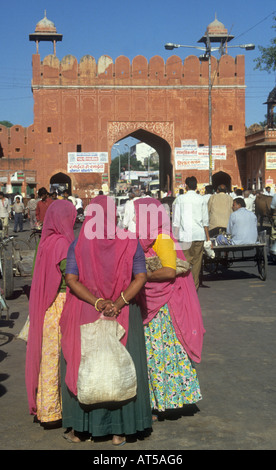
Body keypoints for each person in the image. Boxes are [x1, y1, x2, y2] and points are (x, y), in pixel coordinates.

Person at [59, 195, 152, 446]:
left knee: (85, 366)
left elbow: (71, 280)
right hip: (123, 314)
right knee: (120, 367)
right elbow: (141, 277)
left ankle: (80, 430)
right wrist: (118, 303)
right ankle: (119, 430)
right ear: (113, 215)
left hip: (86, 310)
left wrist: (98, 303)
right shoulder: (130, 242)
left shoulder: (78, 244)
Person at [133, 196, 205, 416]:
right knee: (155, 354)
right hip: (150, 301)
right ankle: (160, 399)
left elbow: (170, 271)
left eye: (139, 215)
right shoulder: (143, 239)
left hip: (163, 305)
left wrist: (142, 276)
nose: (136, 219)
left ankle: (169, 400)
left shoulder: (162, 238)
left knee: (163, 352)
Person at [25, 200, 77, 428]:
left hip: (45, 306)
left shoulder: (44, 243)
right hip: (61, 303)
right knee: (61, 357)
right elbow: (69, 277)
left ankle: (47, 409)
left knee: (47, 358)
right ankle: (54, 412)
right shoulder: (63, 244)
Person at [173, 176, 211, 290]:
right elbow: (205, 221)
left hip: (185, 236)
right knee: (197, 264)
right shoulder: (201, 199)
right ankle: (194, 288)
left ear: (186, 186)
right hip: (199, 235)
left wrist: (175, 237)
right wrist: (208, 238)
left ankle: (185, 288)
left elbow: (176, 221)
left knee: (185, 263)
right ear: (196, 186)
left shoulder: (180, 199)